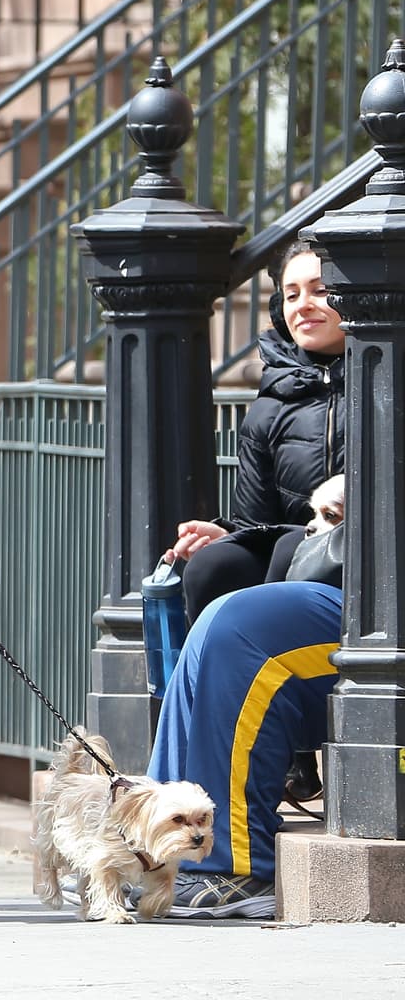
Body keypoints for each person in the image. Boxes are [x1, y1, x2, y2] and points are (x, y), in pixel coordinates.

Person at [162, 240, 345, 802]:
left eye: (320, 290)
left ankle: (284, 740)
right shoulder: (268, 407)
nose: (303, 305)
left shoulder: (384, 376)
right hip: (296, 549)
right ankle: (241, 752)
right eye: (291, 294)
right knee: (211, 568)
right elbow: (255, 520)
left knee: (290, 551)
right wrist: (223, 534)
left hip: (353, 558)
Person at [146, 578, 341, 920]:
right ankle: (218, 863)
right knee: (238, 635)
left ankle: (231, 865)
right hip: (322, 617)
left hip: (246, 608)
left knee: (237, 634)